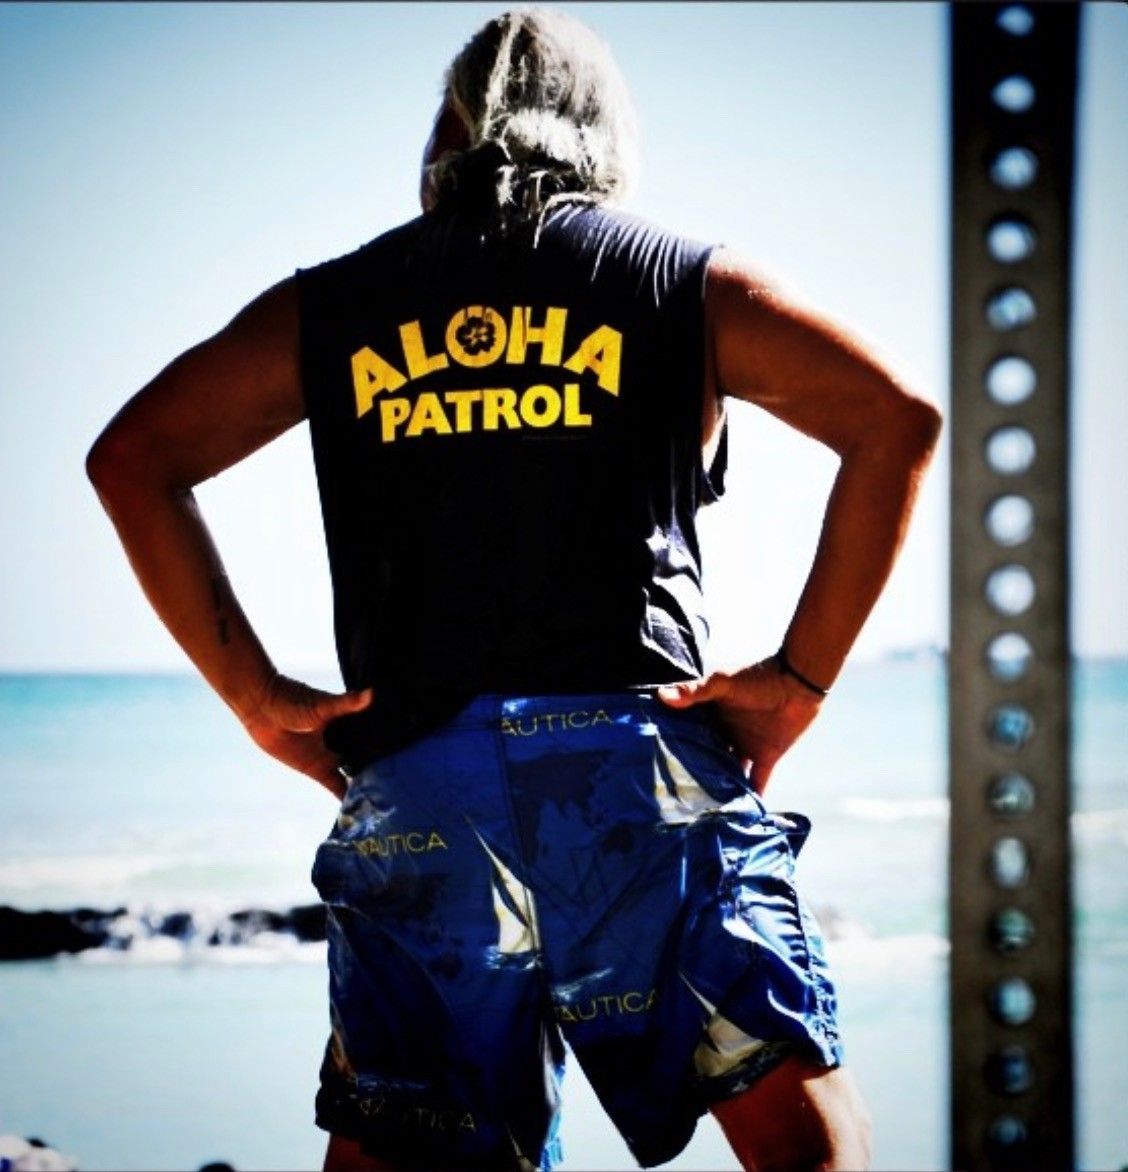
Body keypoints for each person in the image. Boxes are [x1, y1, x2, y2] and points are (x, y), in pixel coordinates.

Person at [86, 8, 941, 1170]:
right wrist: (796, 682)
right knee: (796, 1127)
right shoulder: (678, 282)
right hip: (632, 767)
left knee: (400, 1144)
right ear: (603, 138)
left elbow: (133, 457)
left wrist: (256, 693)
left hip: (421, 779)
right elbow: (896, 421)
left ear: (445, 137)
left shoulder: (334, 304)